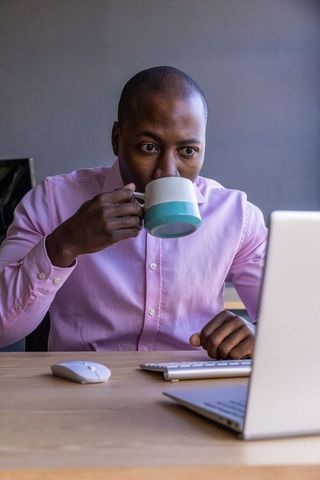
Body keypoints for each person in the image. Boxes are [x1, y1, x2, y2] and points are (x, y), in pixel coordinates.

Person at [0, 66, 268, 357]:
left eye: (188, 151)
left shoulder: (237, 217)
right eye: (148, 147)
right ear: (117, 139)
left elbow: (294, 326)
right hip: (81, 388)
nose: (167, 172)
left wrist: (262, 337)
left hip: (192, 384)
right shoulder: (53, 201)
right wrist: (63, 245)